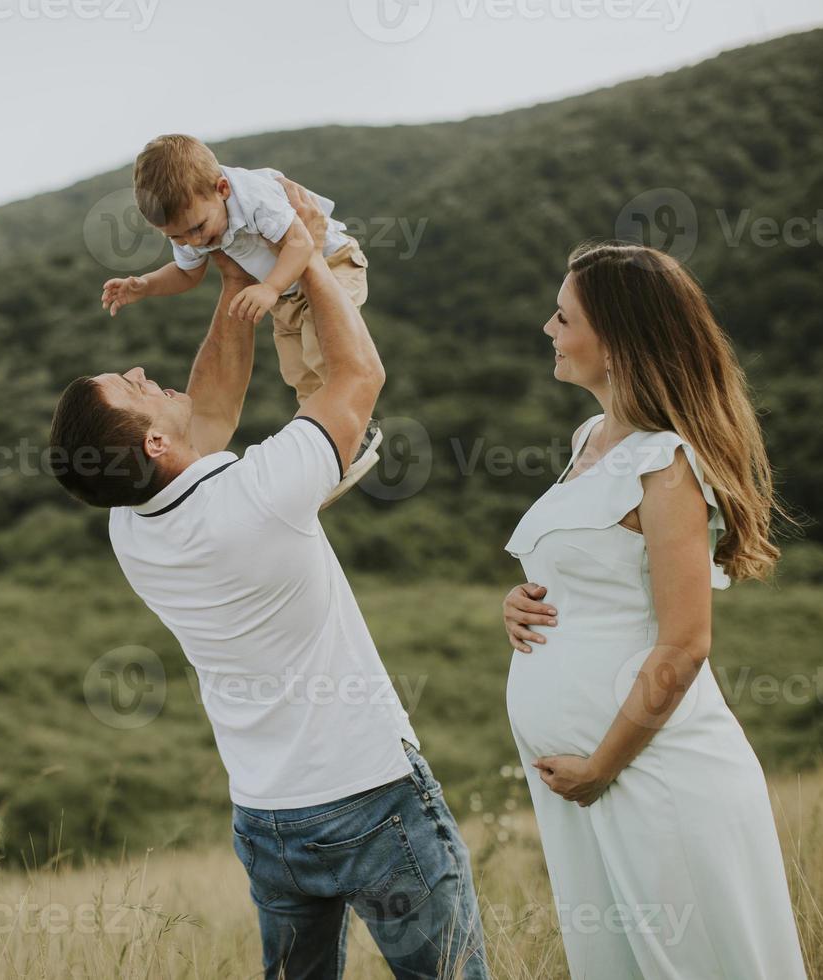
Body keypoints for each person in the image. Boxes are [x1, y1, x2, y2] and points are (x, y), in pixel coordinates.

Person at [53, 178, 489, 980]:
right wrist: (307, 251)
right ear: (152, 444)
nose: (146, 372)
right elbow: (358, 377)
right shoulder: (261, 493)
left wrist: (233, 274)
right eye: (134, 388)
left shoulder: (130, 528)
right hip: (371, 797)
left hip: (268, 818)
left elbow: (210, 408)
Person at [500, 242, 808, 978]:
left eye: (563, 316)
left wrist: (601, 767)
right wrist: (521, 601)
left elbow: (686, 644)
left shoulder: (666, 463)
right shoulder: (590, 441)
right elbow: (592, 572)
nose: (547, 328)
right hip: (582, 786)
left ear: (617, 341)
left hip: (650, 774)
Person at [99, 133, 381, 508]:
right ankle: (334, 443)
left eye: (197, 229)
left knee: (322, 351)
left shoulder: (255, 198)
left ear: (223, 189)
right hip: (284, 293)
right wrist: (144, 285)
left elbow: (302, 242)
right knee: (298, 371)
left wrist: (268, 288)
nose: (193, 242)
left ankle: (359, 432)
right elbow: (188, 275)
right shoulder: (190, 219)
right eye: (177, 237)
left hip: (331, 266)